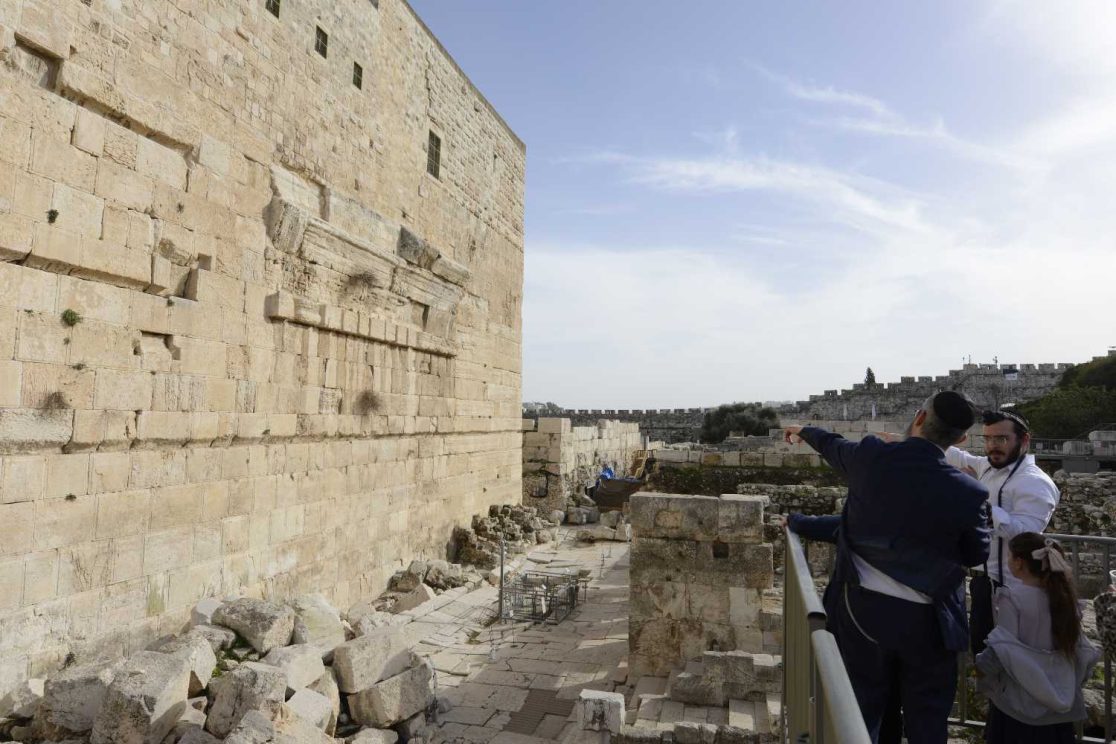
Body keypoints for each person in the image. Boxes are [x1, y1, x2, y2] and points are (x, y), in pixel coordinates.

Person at [785, 391, 991, 744]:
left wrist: (804, 430)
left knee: (861, 715)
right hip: (930, 625)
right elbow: (975, 554)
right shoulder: (969, 491)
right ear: (960, 439)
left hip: (863, 615)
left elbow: (832, 446)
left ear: (919, 418)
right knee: (926, 720)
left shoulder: (872, 457)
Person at [944, 409, 1059, 654]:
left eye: (1001, 439)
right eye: (987, 439)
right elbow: (954, 455)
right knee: (983, 656)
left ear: (1024, 440)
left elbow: (1027, 535)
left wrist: (979, 505)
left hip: (1015, 589)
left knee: (1013, 659)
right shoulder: (987, 467)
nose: (992, 446)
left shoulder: (1035, 482)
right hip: (982, 583)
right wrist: (914, 437)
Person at [975, 533, 1099, 743]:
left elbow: (1003, 647)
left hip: (1019, 704)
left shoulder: (1012, 598)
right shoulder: (1065, 599)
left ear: (1019, 563)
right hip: (1058, 707)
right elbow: (1080, 649)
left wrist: (981, 669)